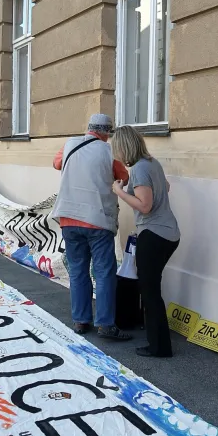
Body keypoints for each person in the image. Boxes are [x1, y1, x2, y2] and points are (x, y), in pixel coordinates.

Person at [52, 114, 130, 341]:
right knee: (104, 272)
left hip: (68, 218)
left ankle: (80, 321)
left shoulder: (69, 145)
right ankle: (105, 324)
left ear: (88, 128)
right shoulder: (108, 152)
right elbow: (123, 176)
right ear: (107, 132)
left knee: (78, 271)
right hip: (97, 220)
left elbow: (57, 164)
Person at [112, 126, 180, 359]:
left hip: (155, 234)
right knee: (151, 289)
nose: (116, 153)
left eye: (117, 148)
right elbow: (166, 187)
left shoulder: (140, 169)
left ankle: (159, 347)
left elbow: (145, 205)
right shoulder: (152, 163)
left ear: (124, 147)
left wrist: (119, 192)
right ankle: (158, 343)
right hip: (167, 232)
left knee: (149, 291)